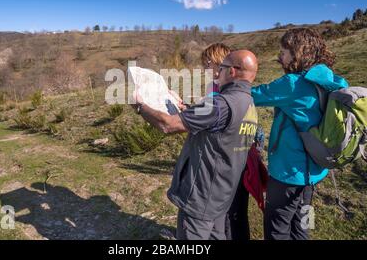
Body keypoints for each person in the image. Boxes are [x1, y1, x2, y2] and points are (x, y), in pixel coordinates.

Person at [132, 50, 259, 240]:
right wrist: (184, 108)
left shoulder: (220, 104)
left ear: (232, 71)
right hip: (223, 194)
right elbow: (215, 124)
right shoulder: (248, 103)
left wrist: (140, 107)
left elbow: (168, 125)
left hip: (201, 196)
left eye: (221, 68)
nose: (217, 73)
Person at [251, 28, 349, 240]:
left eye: (284, 50)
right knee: (302, 222)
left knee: (277, 225)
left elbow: (253, 96)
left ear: (298, 52)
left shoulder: (293, 83)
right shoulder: (328, 79)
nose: (280, 55)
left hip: (288, 171)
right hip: (314, 170)